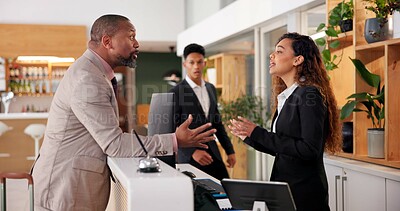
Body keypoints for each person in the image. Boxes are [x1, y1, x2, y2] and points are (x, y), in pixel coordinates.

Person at [31, 14, 216, 211]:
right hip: (65, 189)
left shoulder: (95, 73)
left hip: (70, 186)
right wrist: (174, 140)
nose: (136, 44)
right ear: (107, 41)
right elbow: (114, 144)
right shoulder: (88, 78)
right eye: (131, 36)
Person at [229, 32, 342, 211]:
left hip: (304, 195)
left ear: (298, 60)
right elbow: (283, 150)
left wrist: (258, 133)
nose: (271, 56)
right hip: (285, 191)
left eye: (279, 52)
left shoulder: (309, 94)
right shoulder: (289, 96)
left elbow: (309, 149)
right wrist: (250, 137)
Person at [169, 43, 236, 181]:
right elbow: (171, 129)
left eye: (199, 62)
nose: (196, 66)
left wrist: (229, 150)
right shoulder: (176, 92)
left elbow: (217, 123)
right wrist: (192, 152)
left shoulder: (211, 89)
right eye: (192, 62)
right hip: (190, 158)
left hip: (213, 154)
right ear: (184, 64)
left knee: (225, 191)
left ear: (204, 63)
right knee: (195, 199)